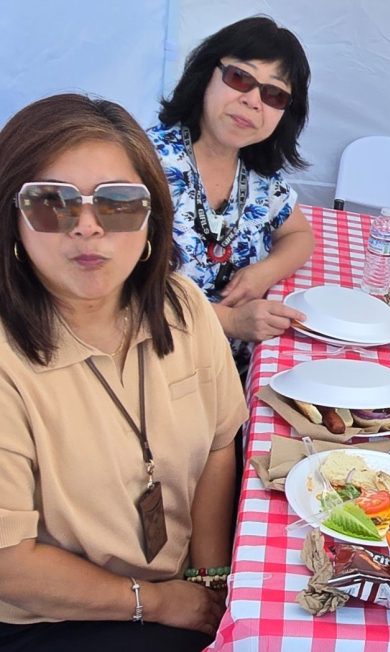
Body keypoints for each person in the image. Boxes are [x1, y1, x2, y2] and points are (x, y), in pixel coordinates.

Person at [0, 94, 248, 650]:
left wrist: (208, 581)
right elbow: (9, 565)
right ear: (12, 221)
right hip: (54, 615)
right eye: (51, 202)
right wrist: (157, 603)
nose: (88, 227)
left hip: (178, 584)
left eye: (118, 203)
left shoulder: (183, 306)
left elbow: (218, 445)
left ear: (151, 217)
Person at [148, 16, 315, 374]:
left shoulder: (258, 174)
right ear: (205, 75)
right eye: (240, 78)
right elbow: (117, 291)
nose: (253, 101)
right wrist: (230, 321)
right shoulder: (143, 164)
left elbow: (300, 235)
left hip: (234, 371)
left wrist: (265, 272)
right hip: (156, 366)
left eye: (274, 94)